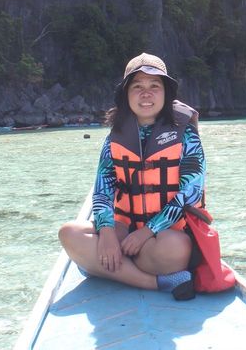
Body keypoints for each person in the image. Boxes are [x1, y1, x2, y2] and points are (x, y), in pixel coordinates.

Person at [58, 52, 205, 299]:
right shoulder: (112, 141)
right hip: (123, 230)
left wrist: (147, 231)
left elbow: (189, 194)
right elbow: (102, 192)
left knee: (175, 248)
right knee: (69, 234)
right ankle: (155, 283)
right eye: (137, 86)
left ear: (166, 93)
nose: (146, 93)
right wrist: (105, 233)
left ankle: (106, 266)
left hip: (166, 235)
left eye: (154, 86)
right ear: (126, 95)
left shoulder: (187, 138)